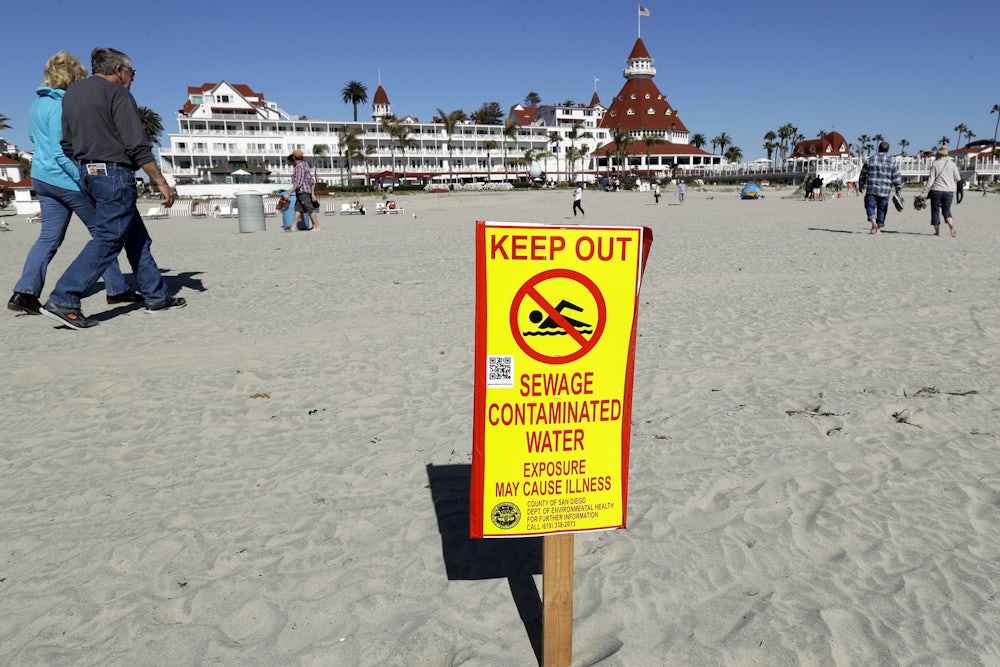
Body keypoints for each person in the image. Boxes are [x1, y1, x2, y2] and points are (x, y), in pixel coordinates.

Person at [40, 47, 185, 330]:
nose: (133, 78)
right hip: (114, 174)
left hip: (88, 173)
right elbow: (137, 145)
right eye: (132, 72)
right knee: (108, 239)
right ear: (119, 70)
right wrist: (162, 182)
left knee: (136, 238)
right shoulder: (119, 94)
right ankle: (64, 298)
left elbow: (67, 144)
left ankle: (156, 295)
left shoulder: (72, 94)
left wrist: (88, 164)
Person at [8, 50, 139, 316]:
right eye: (78, 78)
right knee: (104, 234)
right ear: (70, 77)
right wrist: (82, 178)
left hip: (41, 178)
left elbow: (34, 137)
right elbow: (61, 151)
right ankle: (115, 289)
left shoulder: (37, 104)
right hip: (65, 181)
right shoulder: (60, 105)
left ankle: (25, 292)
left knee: (48, 238)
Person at [857, 140, 903, 235]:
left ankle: (874, 223)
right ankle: (878, 229)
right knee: (882, 209)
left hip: (872, 188)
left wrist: (861, 184)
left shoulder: (871, 159)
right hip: (885, 190)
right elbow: (896, 176)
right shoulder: (892, 161)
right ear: (888, 150)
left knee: (870, 206)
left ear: (878, 149)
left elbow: (863, 173)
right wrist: (898, 188)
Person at [919, 146, 960, 237]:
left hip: (936, 190)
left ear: (939, 154)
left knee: (935, 210)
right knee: (946, 210)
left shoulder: (935, 164)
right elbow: (958, 178)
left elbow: (931, 180)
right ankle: (951, 225)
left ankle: (937, 231)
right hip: (949, 191)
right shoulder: (952, 164)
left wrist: (924, 192)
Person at [283, 149, 320, 231]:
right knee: (298, 209)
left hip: (303, 191)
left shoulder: (299, 167)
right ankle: (294, 226)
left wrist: (288, 193)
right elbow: (311, 181)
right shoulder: (305, 164)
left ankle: (317, 226)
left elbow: (298, 183)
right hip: (304, 191)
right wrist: (312, 193)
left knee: (309, 209)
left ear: (294, 157)